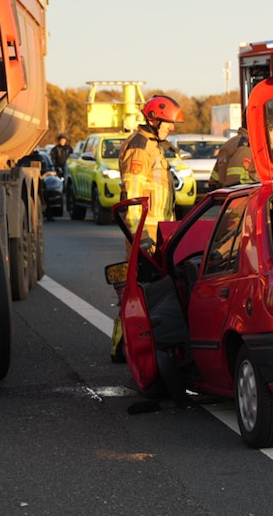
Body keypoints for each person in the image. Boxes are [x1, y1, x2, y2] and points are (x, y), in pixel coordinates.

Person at [111, 94, 183, 362]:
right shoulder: (140, 147)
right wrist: (139, 237)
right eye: (169, 122)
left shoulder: (153, 145)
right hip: (145, 234)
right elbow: (132, 194)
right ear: (154, 119)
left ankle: (135, 344)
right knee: (138, 292)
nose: (172, 127)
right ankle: (122, 347)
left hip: (156, 232)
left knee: (149, 291)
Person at [208, 116, 273, 189]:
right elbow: (236, 183)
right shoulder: (247, 146)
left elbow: (214, 181)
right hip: (244, 199)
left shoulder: (231, 142)